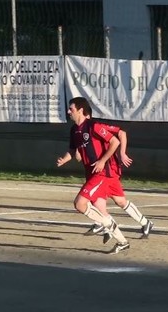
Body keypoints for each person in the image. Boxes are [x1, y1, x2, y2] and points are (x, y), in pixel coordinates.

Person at [57, 96, 130, 254]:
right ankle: (122, 241)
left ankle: (108, 225)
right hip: (90, 172)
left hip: (101, 173)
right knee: (100, 208)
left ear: (80, 110)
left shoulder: (93, 125)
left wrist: (103, 160)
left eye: (71, 109)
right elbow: (72, 150)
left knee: (80, 204)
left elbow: (115, 142)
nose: (68, 111)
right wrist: (65, 159)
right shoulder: (74, 130)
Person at [76, 123, 154, 243]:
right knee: (119, 201)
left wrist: (122, 153)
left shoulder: (95, 126)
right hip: (101, 171)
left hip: (109, 170)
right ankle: (145, 223)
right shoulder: (80, 131)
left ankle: (105, 226)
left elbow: (121, 133)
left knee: (99, 201)